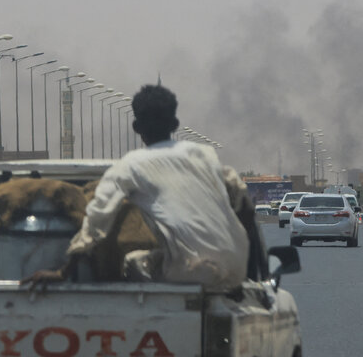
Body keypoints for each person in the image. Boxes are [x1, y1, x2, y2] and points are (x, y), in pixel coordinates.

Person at [61, 84, 251, 290]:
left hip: (192, 272)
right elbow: (243, 199)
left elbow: (97, 219)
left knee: (133, 263)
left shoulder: (130, 165)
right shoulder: (204, 154)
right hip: (238, 269)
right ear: (175, 124)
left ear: (136, 127)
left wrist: (63, 271)